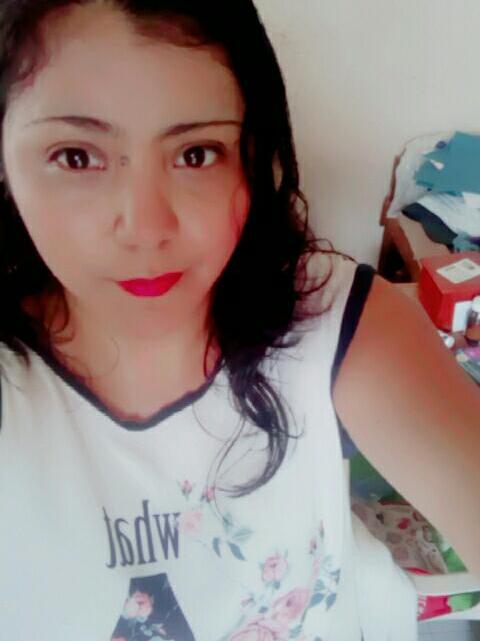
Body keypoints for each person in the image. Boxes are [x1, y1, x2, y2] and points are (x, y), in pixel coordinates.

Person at [0, 2, 478, 640]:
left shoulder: (339, 322)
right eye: (76, 157)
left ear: (253, 159)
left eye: (196, 154)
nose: (146, 228)